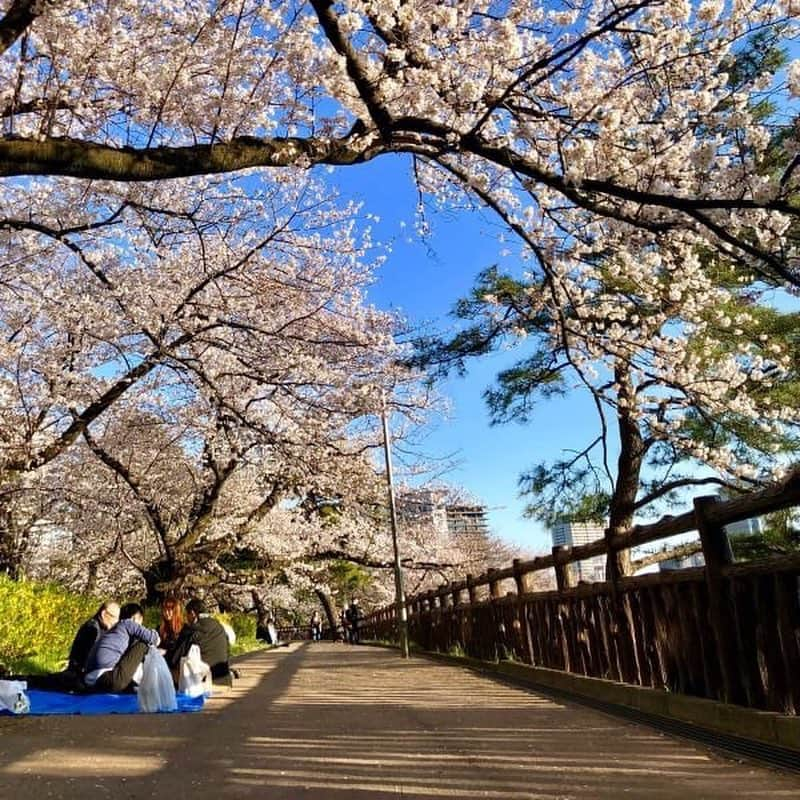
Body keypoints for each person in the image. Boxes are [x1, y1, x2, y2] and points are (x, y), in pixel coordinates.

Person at [17, 600, 120, 691]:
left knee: (42, 681)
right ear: (104, 614)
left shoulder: (98, 628)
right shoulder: (92, 629)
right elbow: (86, 659)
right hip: (77, 676)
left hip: (78, 674)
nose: (117, 622)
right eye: (115, 618)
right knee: (39, 682)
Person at [84, 602, 160, 693]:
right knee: (143, 643)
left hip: (91, 681)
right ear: (135, 618)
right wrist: (157, 638)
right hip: (109, 678)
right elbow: (152, 638)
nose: (141, 626)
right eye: (140, 623)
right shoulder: (128, 624)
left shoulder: (114, 632)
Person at [169, 598, 231, 682]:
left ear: (192, 613)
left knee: (168, 670)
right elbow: (227, 651)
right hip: (224, 679)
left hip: (201, 684)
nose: (186, 618)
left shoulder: (191, 630)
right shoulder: (219, 627)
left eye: (187, 615)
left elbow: (175, 659)